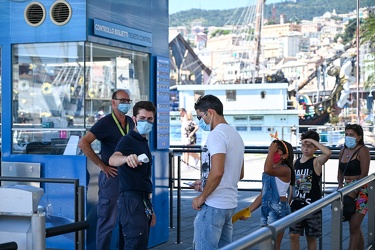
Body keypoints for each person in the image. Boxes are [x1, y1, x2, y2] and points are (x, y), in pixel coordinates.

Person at [78, 89, 134, 250]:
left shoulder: (130, 121)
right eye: (122, 100)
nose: (125, 104)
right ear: (113, 102)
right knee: (107, 221)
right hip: (112, 177)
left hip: (128, 177)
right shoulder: (105, 122)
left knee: (126, 220)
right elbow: (83, 143)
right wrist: (103, 166)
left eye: (128, 101)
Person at [190, 95, 245, 249]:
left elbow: (218, 171)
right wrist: (205, 181)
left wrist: (202, 197)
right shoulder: (235, 135)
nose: (201, 122)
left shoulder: (216, 134)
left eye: (200, 117)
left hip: (214, 204)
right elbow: (239, 174)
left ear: (210, 112)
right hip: (229, 204)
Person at [108, 101, 157, 250]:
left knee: (137, 243)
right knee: (135, 244)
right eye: (142, 118)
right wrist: (125, 159)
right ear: (134, 119)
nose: (146, 122)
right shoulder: (128, 140)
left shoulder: (143, 142)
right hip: (131, 201)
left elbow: (144, 178)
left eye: (150, 119)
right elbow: (113, 159)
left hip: (142, 201)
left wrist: (150, 209)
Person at [240, 136, 295, 250]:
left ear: (285, 156)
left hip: (279, 208)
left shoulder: (285, 170)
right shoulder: (272, 170)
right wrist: (248, 211)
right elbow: (262, 195)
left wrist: (270, 152)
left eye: (276, 151)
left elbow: (267, 169)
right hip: (268, 208)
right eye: (272, 150)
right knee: (268, 245)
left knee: (273, 245)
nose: (273, 153)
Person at [289, 130, 332, 250]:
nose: (306, 149)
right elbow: (292, 185)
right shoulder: (295, 163)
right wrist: (289, 200)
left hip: (312, 206)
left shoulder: (316, 161)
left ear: (315, 147)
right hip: (296, 205)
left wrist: (312, 140)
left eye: (309, 146)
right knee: (293, 235)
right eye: (303, 145)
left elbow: (328, 153)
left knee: (311, 238)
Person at [337, 123, 370, 250]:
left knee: (354, 226)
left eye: (351, 135)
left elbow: (364, 173)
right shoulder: (342, 151)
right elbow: (339, 172)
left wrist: (354, 191)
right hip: (346, 188)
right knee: (354, 226)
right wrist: (340, 185)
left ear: (359, 137)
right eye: (346, 134)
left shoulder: (363, 150)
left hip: (361, 189)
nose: (348, 137)